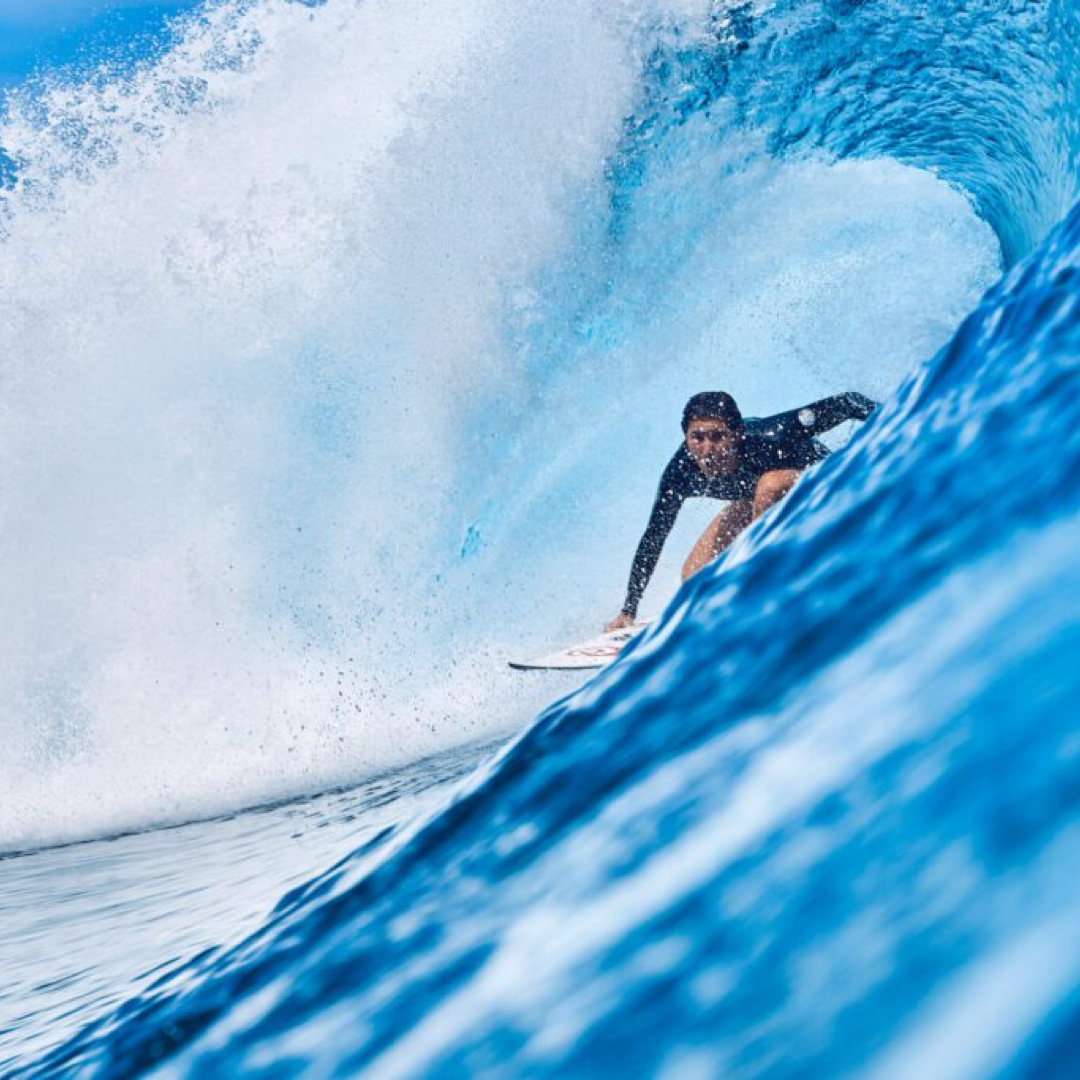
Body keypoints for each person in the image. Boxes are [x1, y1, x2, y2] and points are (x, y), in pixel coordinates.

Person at [605, 390, 877, 631]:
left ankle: (762, 578)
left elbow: (847, 402)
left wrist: (901, 427)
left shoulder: (771, 435)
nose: (707, 449)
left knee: (768, 486)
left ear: (736, 434)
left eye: (717, 436)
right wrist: (629, 609)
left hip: (823, 483)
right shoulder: (680, 473)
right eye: (697, 437)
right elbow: (654, 536)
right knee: (693, 576)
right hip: (762, 504)